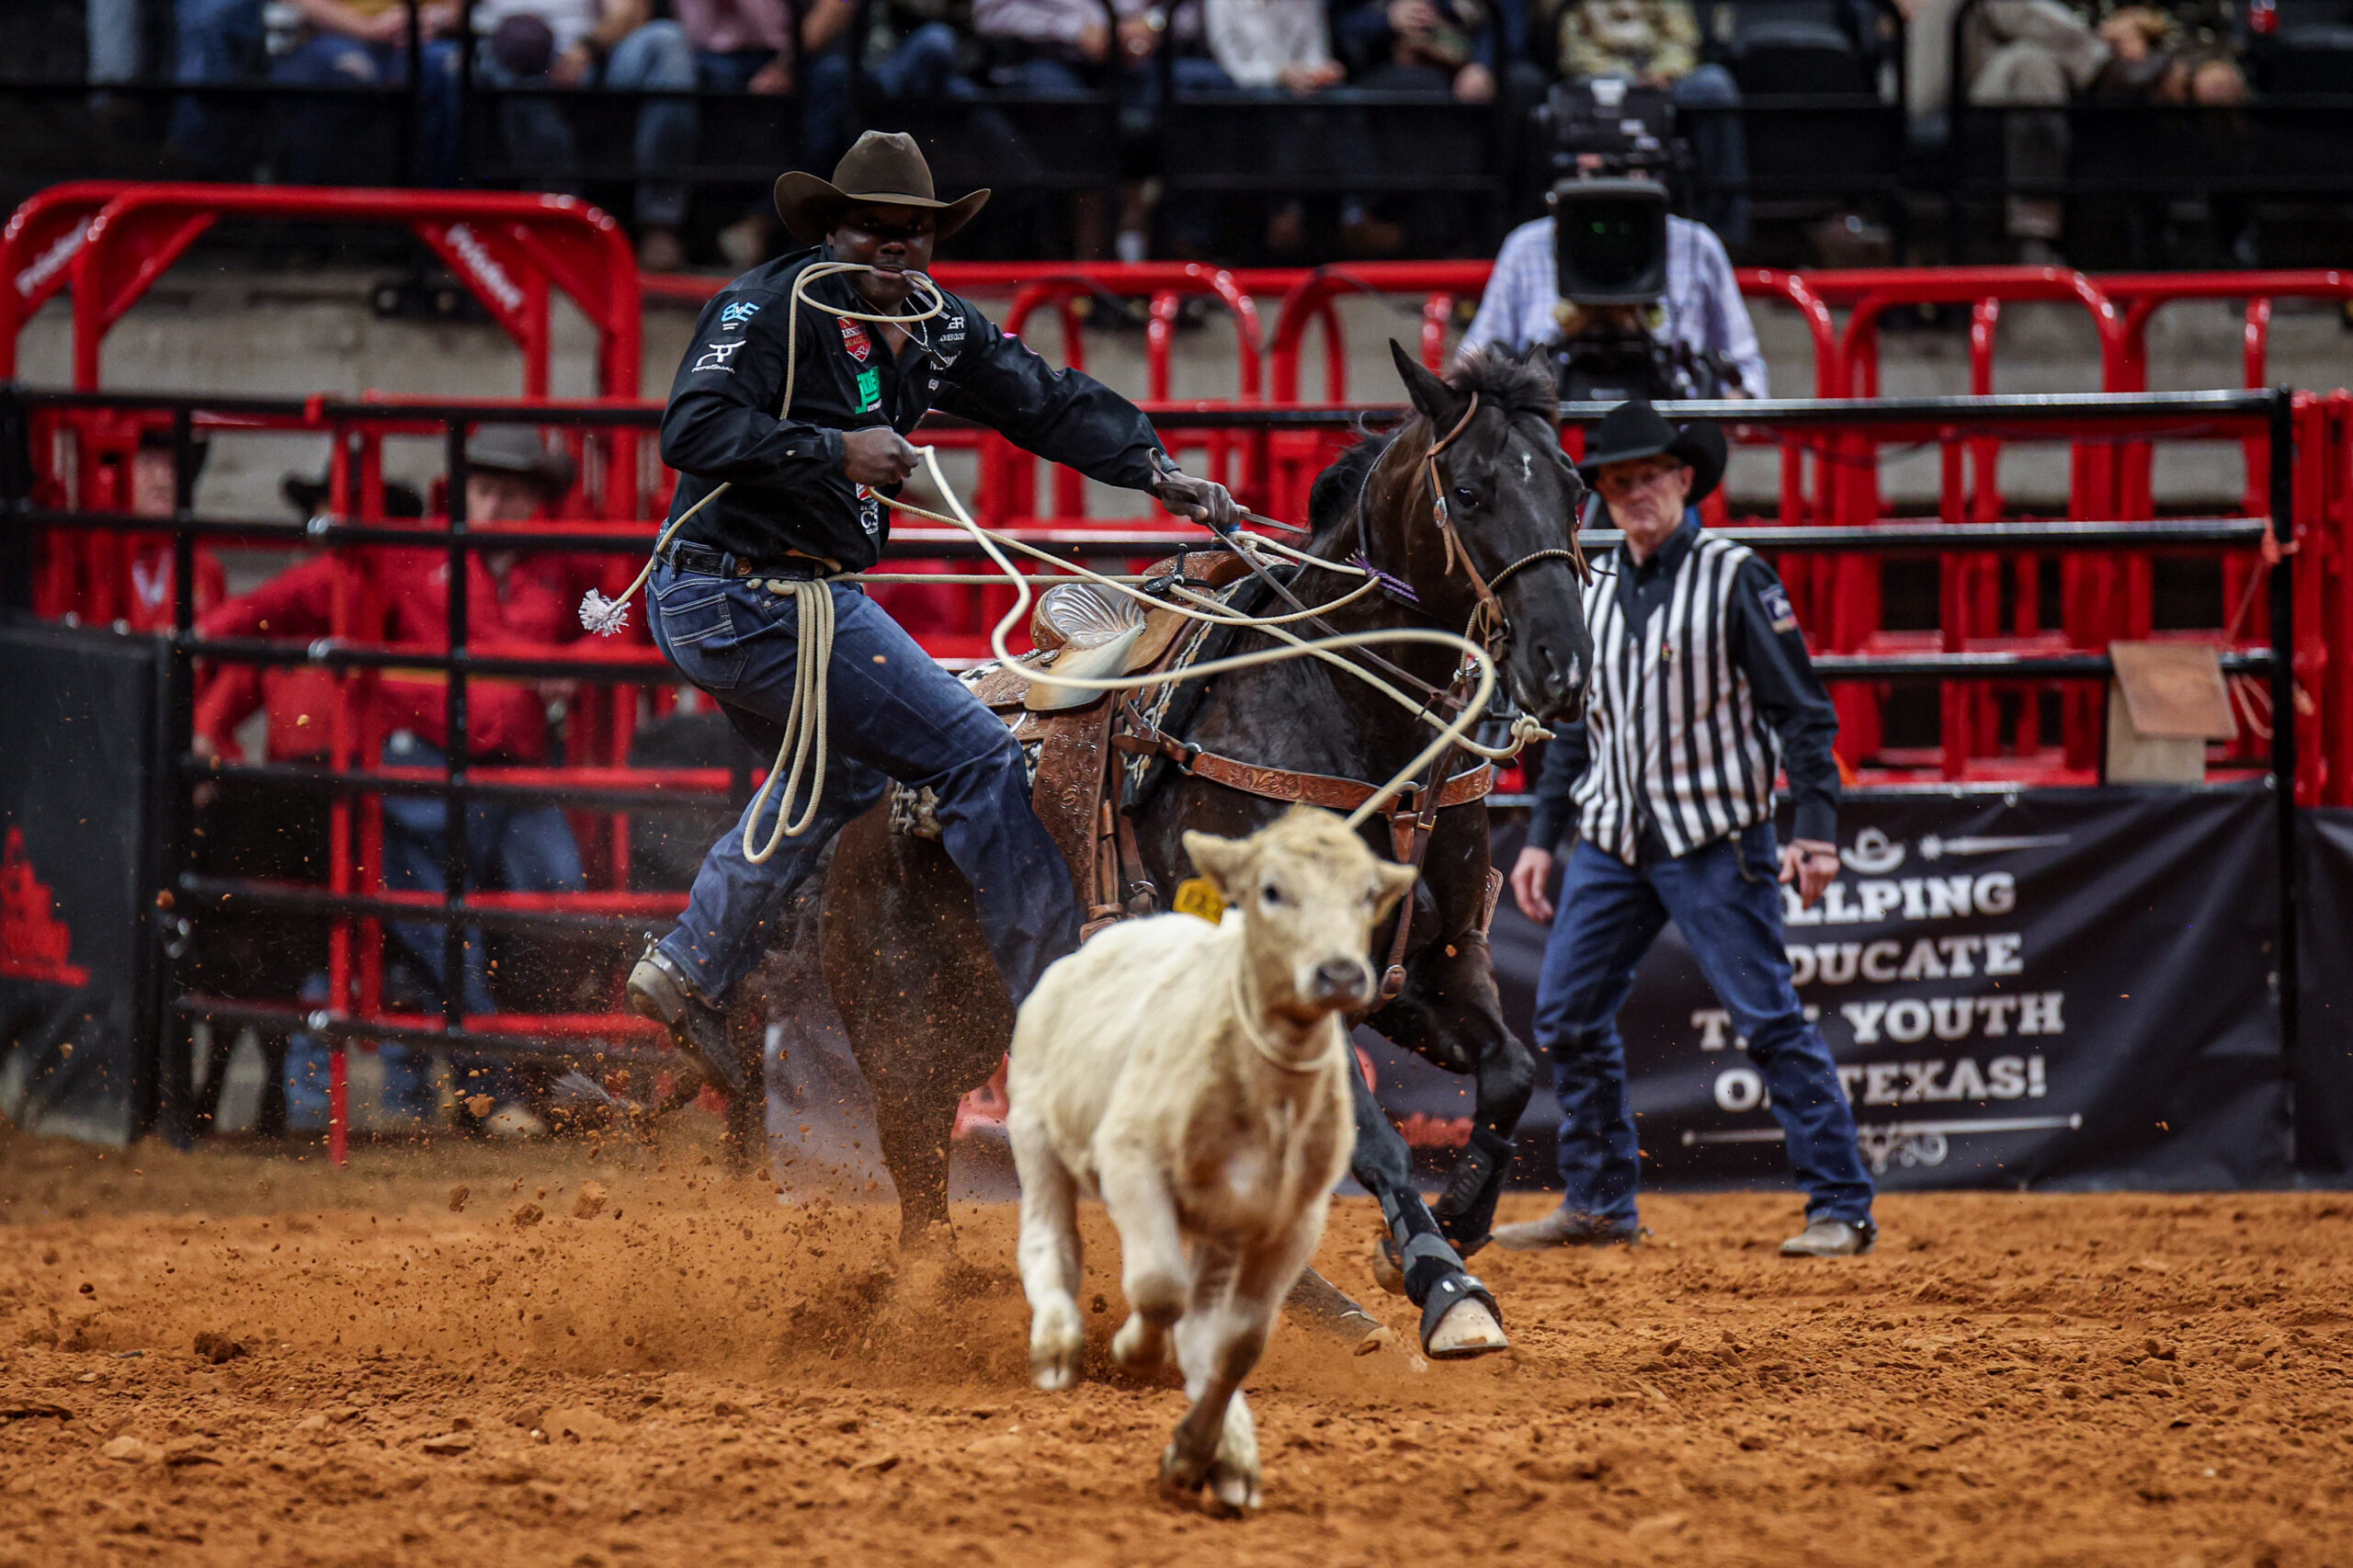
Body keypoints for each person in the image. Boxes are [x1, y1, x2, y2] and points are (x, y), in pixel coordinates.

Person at [624, 131, 1236, 1085]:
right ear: (832, 229)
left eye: (913, 231)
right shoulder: (767, 305)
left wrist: (1152, 467)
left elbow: (1040, 397)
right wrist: (833, 451)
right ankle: (1059, 1010)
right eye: (874, 229)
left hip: (756, 598)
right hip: (747, 593)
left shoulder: (938, 322)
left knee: (843, 777)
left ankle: (691, 964)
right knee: (977, 755)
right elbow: (691, 426)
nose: (895, 247)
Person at [1493, 399, 1876, 1257]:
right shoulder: (1587, 584)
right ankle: (1599, 1204)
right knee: (1566, 1014)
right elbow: (1577, 727)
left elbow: (1804, 717)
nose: (1636, 494)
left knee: (1767, 1016)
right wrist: (1546, 837)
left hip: (1715, 836)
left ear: (1683, 479)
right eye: (1620, 482)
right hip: (1616, 839)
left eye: (1650, 477)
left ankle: (1841, 1204)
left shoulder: (1737, 576)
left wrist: (1813, 829)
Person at [195, 426, 595, 1137]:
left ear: (537, 502)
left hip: (511, 770)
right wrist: (194, 644)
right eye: (484, 489)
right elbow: (293, 599)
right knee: (441, 924)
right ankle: (496, 1083)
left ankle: (529, 1071)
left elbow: (626, 610)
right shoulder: (414, 557)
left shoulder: (558, 570)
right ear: (462, 493)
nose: (496, 504)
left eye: (512, 492)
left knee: (557, 897)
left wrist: (585, 658)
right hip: (423, 765)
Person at [1458, 189, 1768, 396]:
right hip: (1547, 456)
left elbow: (1747, 373)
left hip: (1669, 457)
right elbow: (1468, 370)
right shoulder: (1527, 244)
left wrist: (1727, 402)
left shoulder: (1696, 244)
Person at [470, 0, 703, 268]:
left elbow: (629, 10)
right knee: (524, 42)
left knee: (666, 39)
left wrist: (585, 49)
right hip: (499, 46)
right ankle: (555, 222)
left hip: (596, 52)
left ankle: (660, 222)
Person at [1538, 0, 1749, 244]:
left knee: (1714, 85)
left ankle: (1725, 228)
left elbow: (1682, 38)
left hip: (1665, 76)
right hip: (1600, 74)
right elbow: (1573, 49)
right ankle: (1599, 229)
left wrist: (1664, 71)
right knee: (1613, 88)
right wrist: (1627, 76)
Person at [270, 0, 464, 187]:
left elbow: (457, 8)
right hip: (338, 34)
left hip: (424, 40)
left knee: (451, 67)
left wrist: (428, 20)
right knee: (349, 70)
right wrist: (368, 27)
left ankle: (440, 204)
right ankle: (328, 207)